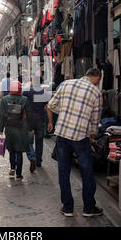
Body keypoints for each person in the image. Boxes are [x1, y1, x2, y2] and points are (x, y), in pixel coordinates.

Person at [46, 68, 103, 218]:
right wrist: (92, 134)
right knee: (86, 172)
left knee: (63, 171)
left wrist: (65, 112)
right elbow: (95, 119)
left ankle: (67, 208)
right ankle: (88, 208)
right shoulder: (96, 92)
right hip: (80, 136)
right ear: (97, 78)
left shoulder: (66, 84)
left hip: (62, 134)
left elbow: (51, 105)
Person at [0, 81, 34, 180]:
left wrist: (0, 129)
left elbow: (1, 115)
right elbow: (29, 115)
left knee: (11, 150)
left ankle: (12, 167)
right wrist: (31, 128)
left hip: (9, 128)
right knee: (19, 150)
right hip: (21, 128)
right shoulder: (24, 99)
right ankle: (19, 174)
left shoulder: (5, 100)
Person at [23, 76, 48, 172]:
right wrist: (50, 121)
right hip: (40, 120)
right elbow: (47, 108)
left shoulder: (27, 91)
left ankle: (32, 157)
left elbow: (21, 102)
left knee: (29, 142)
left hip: (29, 121)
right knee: (39, 142)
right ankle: (38, 162)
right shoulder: (44, 93)